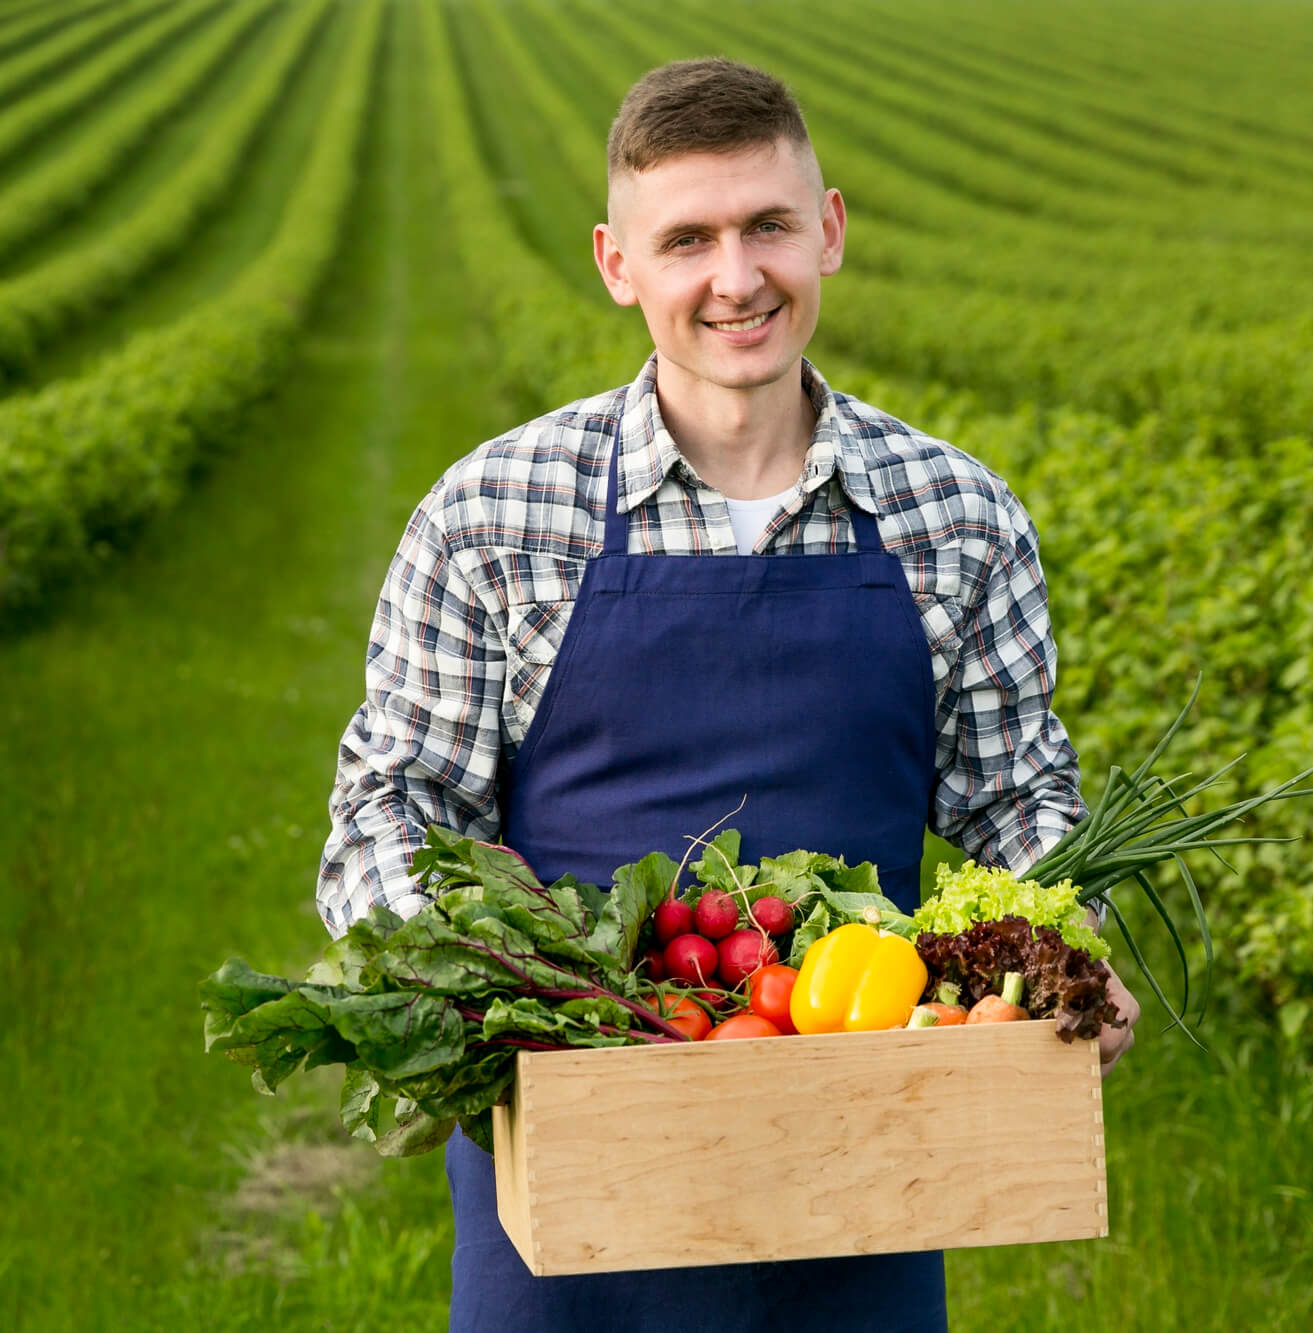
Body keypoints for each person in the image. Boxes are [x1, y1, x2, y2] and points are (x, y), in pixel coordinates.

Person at [316, 56, 1137, 1333]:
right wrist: (478, 984)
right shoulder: (490, 514)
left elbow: (1015, 794)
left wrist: (1065, 953)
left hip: (863, 1146)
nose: (734, 277)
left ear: (829, 228)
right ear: (614, 262)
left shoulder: (955, 517)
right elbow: (390, 799)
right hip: (572, 1153)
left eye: (766, 225)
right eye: (684, 238)